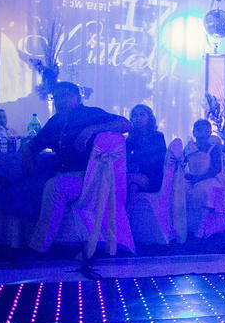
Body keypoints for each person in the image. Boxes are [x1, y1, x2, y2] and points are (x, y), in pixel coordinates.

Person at [24, 82, 132, 252]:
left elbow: (126, 124)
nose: (61, 101)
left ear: (78, 98)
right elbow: (35, 143)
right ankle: (16, 242)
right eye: (57, 97)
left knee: (56, 187)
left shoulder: (90, 114)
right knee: (25, 186)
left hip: (89, 176)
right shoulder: (56, 121)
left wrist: (92, 129)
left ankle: (38, 248)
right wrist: (27, 154)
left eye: (66, 96)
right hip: (63, 172)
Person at [184, 119, 225, 237]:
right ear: (194, 132)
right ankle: (186, 227)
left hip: (210, 178)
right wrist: (186, 175)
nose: (201, 133)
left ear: (210, 132)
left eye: (205, 130)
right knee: (182, 189)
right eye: (198, 130)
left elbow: (216, 169)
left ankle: (202, 228)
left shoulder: (213, 148)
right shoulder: (189, 148)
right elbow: (183, 164)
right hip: (193, 178)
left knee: (203, 190)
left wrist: (200, 178)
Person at [126, 104, 167, 196]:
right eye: (135, 115)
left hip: (153, 176)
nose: (138, 118)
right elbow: (125, 159)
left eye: (141, 115)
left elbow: (160, 160)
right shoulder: (130, 139)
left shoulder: (158, 136)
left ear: (149, 118)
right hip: (133, 174)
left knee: (133, 186)